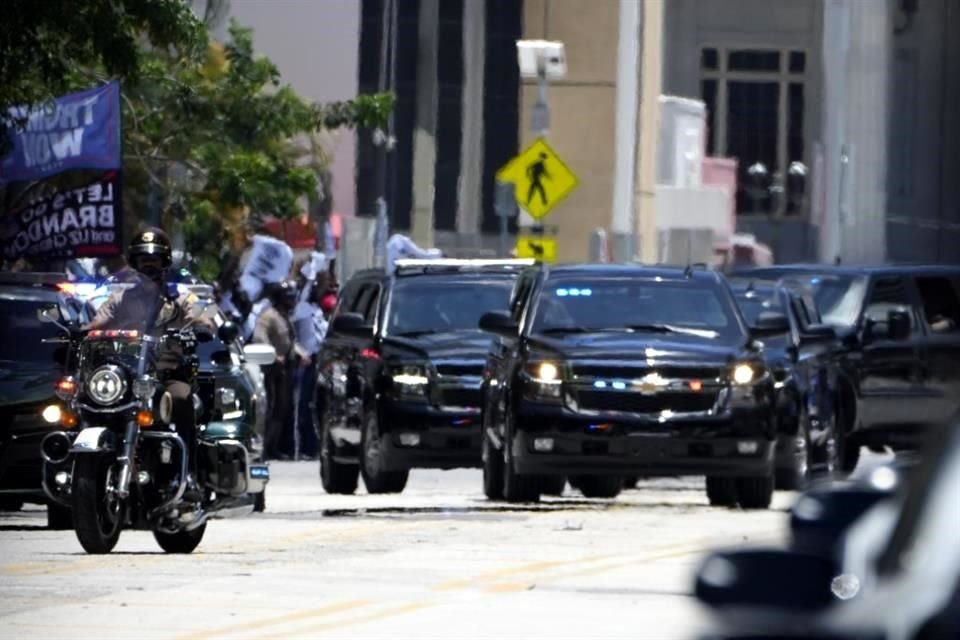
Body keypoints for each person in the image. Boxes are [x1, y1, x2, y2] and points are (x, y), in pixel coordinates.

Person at [84, 227, 217, 500]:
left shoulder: (181, 296)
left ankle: (187, 474)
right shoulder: (121, 296)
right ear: (134, 262)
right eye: (143, 258)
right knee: (91, 400)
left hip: (167, 373)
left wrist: (201, 326)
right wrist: (80, 332)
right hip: (130, 374)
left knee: (181, 399)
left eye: (153, 258)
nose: (148, 264)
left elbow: (205, 317)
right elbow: (99, 321)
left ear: (164, 261)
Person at [253, 280, 308, 460]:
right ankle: (264, 448)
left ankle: (273, 447)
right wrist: (274, 355)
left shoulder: (284, 317)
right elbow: (259, 338)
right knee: (270, 408)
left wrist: (301, 354)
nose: (291, 301)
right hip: (271, 370)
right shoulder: (268, 316)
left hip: (285, 370)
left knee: (281, 409)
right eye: (287, 298)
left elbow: (290, 342)